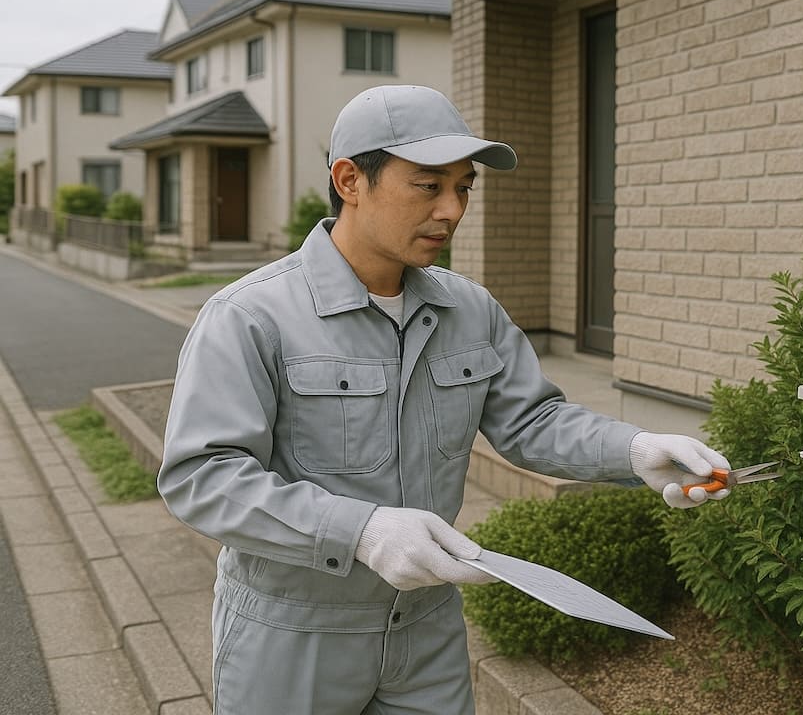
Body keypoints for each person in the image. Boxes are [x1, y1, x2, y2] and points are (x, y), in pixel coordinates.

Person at [157, 84, 733, 715]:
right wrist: (363, 529)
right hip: (294, 632)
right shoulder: (249, 315)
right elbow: (202, 476)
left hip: (425, 627)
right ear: (350, 180)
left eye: (464, 187)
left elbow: (532, 420)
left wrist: (637, 450)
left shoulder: (469, 309)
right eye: (428, 186)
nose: (452, 210)